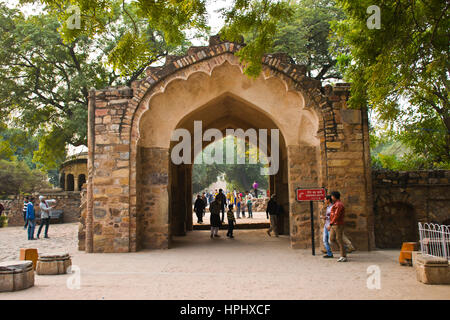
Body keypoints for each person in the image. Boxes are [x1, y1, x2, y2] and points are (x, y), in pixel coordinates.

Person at [328, 191, 347, 262]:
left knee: (339, 239)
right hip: (334, 224)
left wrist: (330, 224)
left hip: (338, 224)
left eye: (332, 196)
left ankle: (343, 255)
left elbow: (336, 215)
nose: (331, 197)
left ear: (334, 196)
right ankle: (343, 249)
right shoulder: (336, 204)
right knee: (332, 239)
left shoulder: (339, 204)